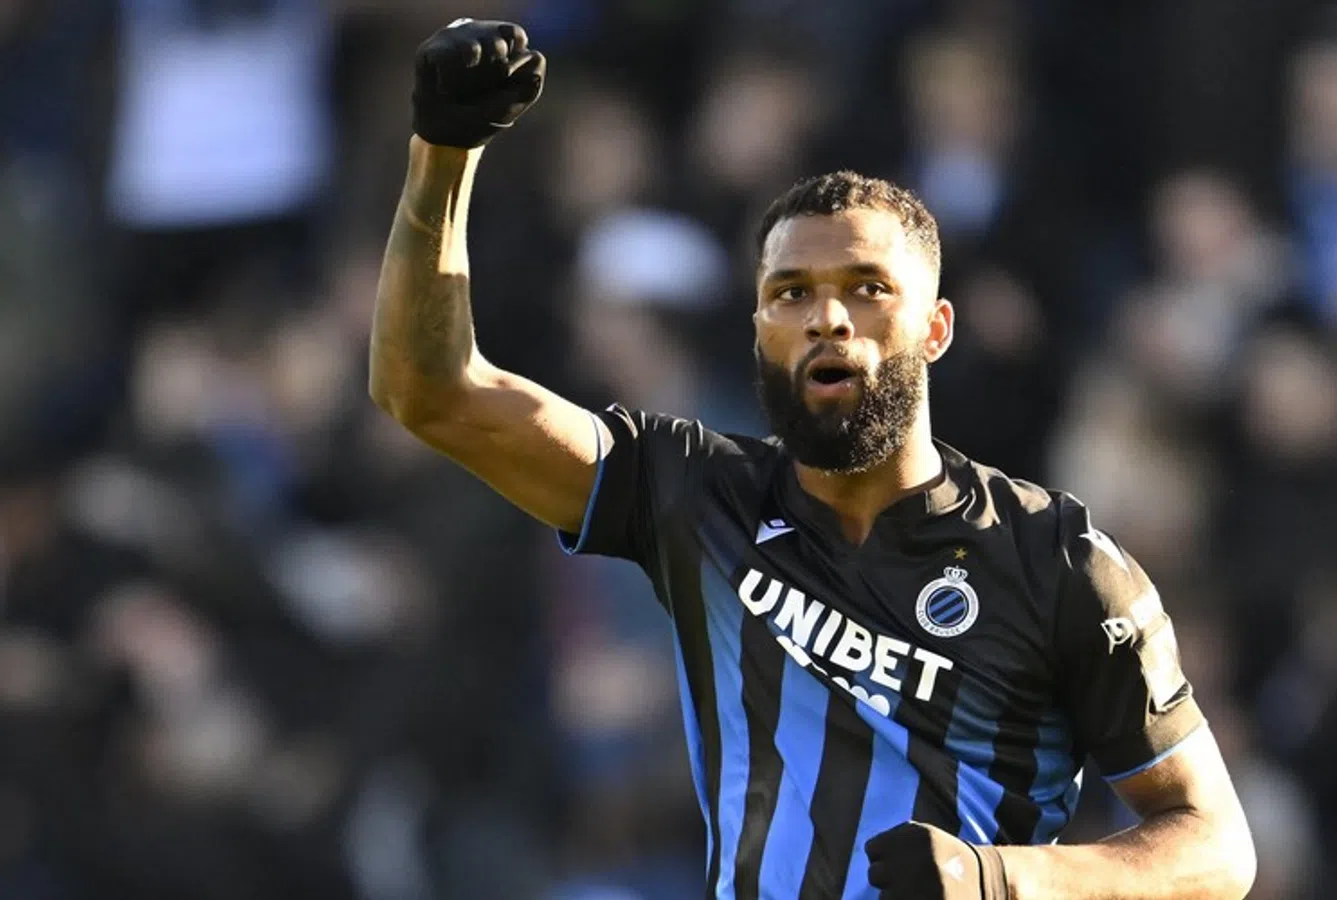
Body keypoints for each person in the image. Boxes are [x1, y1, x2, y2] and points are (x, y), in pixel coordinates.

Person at [370, 18, 1257, 900]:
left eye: (868, 289)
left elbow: (1216, 849)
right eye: (791, 294)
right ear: (759, 332)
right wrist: (443, 158)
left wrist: (1000, 876)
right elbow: (429, 391)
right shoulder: (694, 492)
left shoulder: (1057, 562)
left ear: (936, 329)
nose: (828, 318)